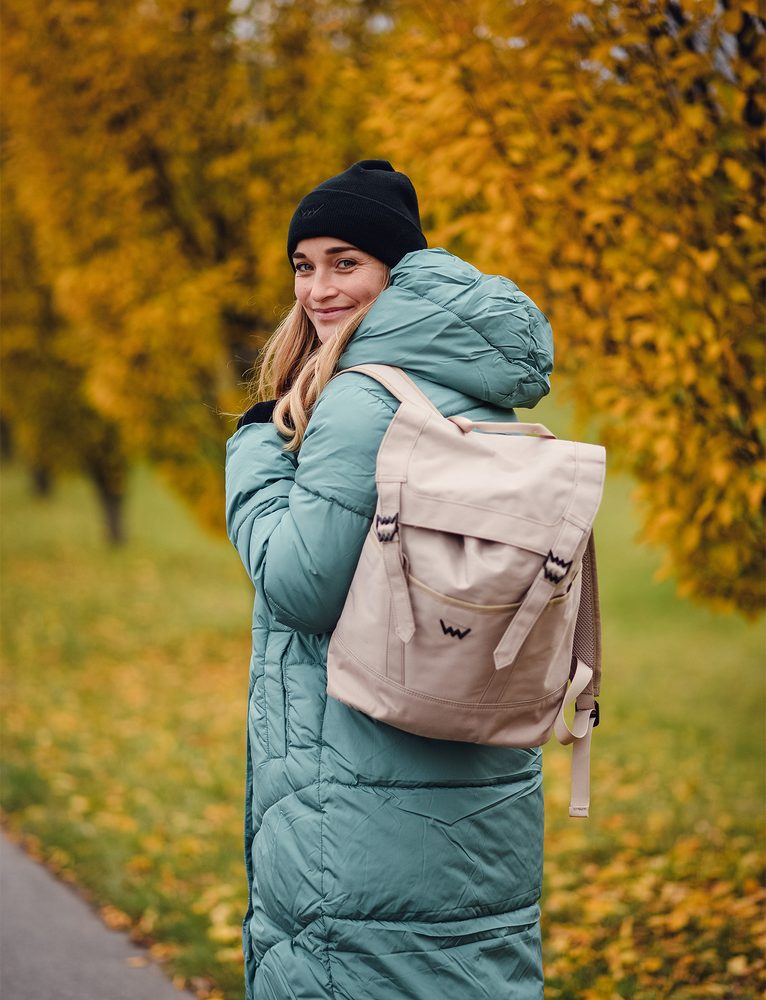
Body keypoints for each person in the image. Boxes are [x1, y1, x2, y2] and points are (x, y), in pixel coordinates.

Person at [225, 159, 554, 999]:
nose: (318, 288)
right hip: (474, 779)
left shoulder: (359, 399)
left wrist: (257, 450)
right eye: (304, 264)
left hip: (359, 798)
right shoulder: (474, 391)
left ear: (395, 270)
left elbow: (300, 586)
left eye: (346, 262)